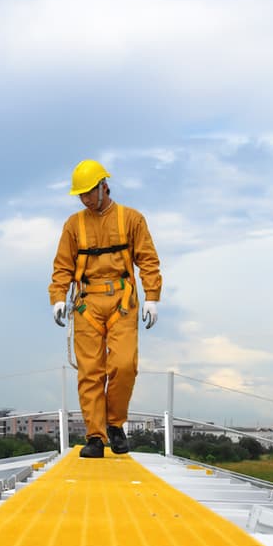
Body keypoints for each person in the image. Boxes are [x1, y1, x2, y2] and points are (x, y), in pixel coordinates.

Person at [49, 159, 162, 458]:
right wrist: (58, 297)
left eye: (89, 192)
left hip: (122, 301)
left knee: (124, 366)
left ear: (104, 187)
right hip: (87, 304)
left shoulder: (132, 219)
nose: (85, 198)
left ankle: (115, 424)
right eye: (81, 194)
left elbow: (148, 260)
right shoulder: (73, 225)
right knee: (90, 372)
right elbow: (62, 265)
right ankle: (96, 437)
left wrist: (152, 296)